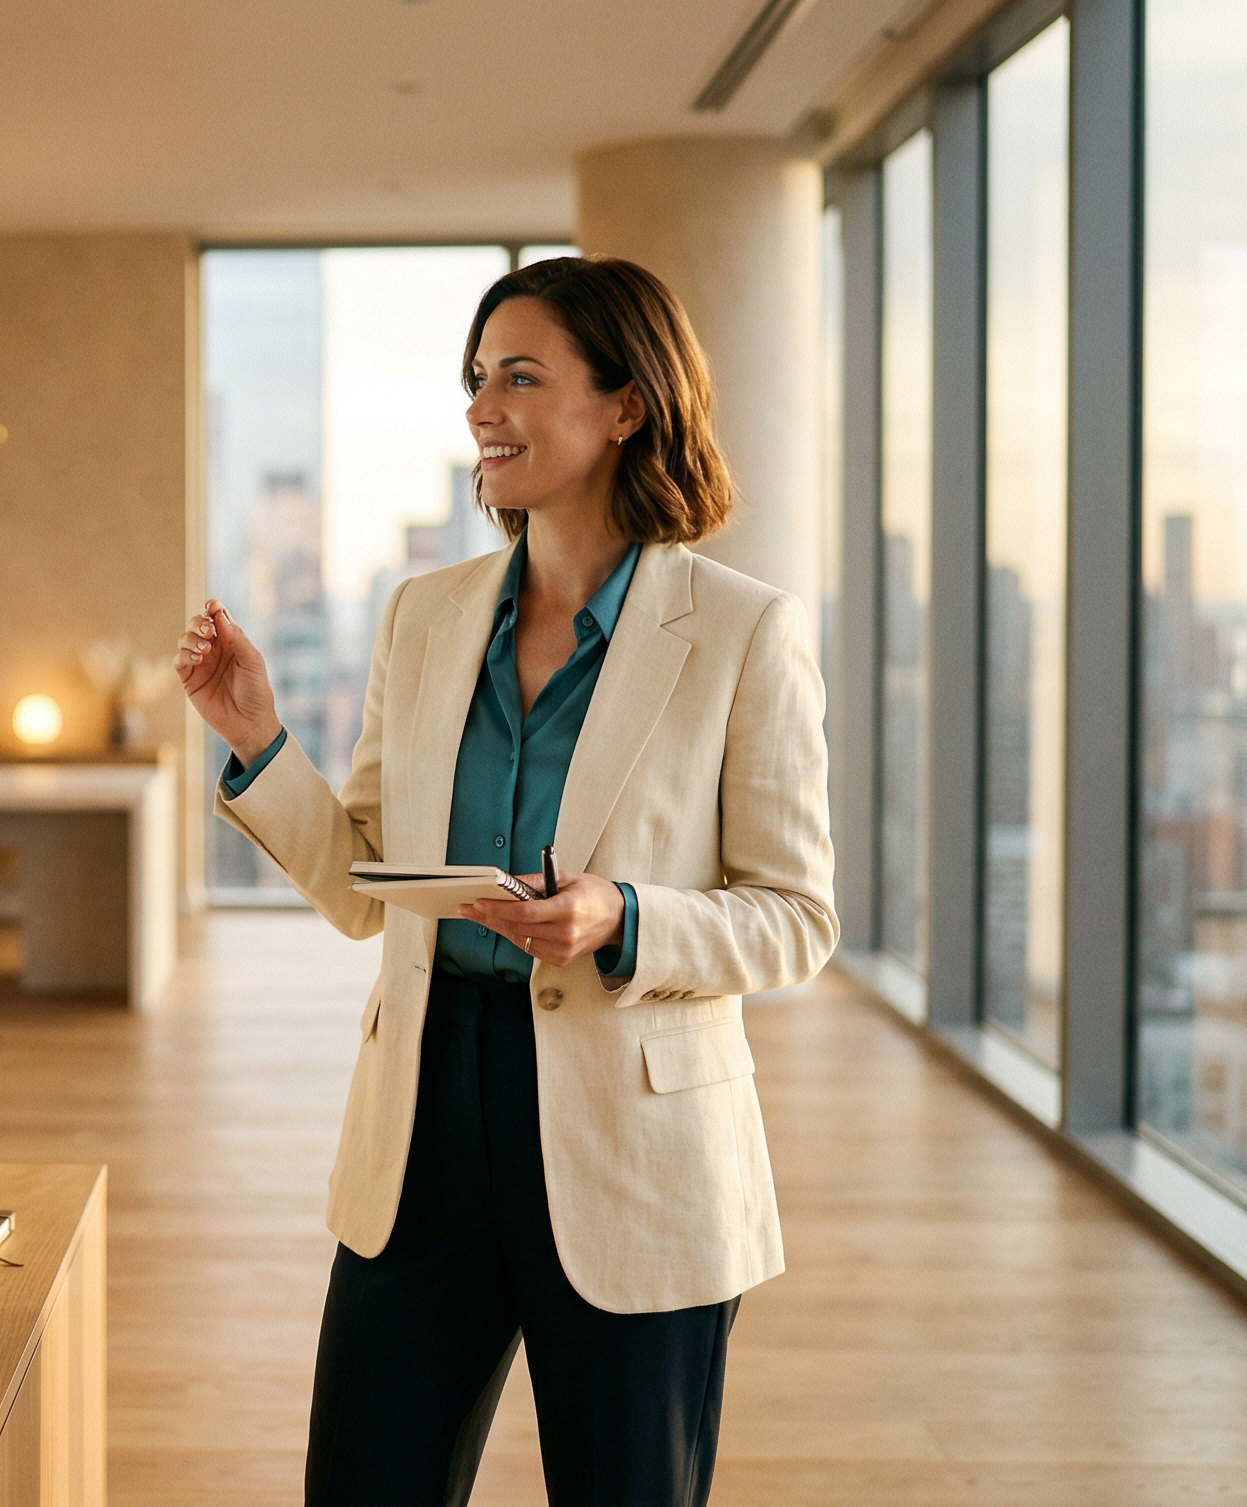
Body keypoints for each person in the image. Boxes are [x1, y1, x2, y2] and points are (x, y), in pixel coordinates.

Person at [174, 255, 836, 1506]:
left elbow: (795, 919)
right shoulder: (423, 616)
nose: (483, 406)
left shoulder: (744, 630)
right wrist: (258, 738)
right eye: (477, 377)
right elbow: (365, 886)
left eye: (519, 377)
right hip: (425, 1118)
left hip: (637, 1141)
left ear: (626, 404)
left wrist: (622, 916)